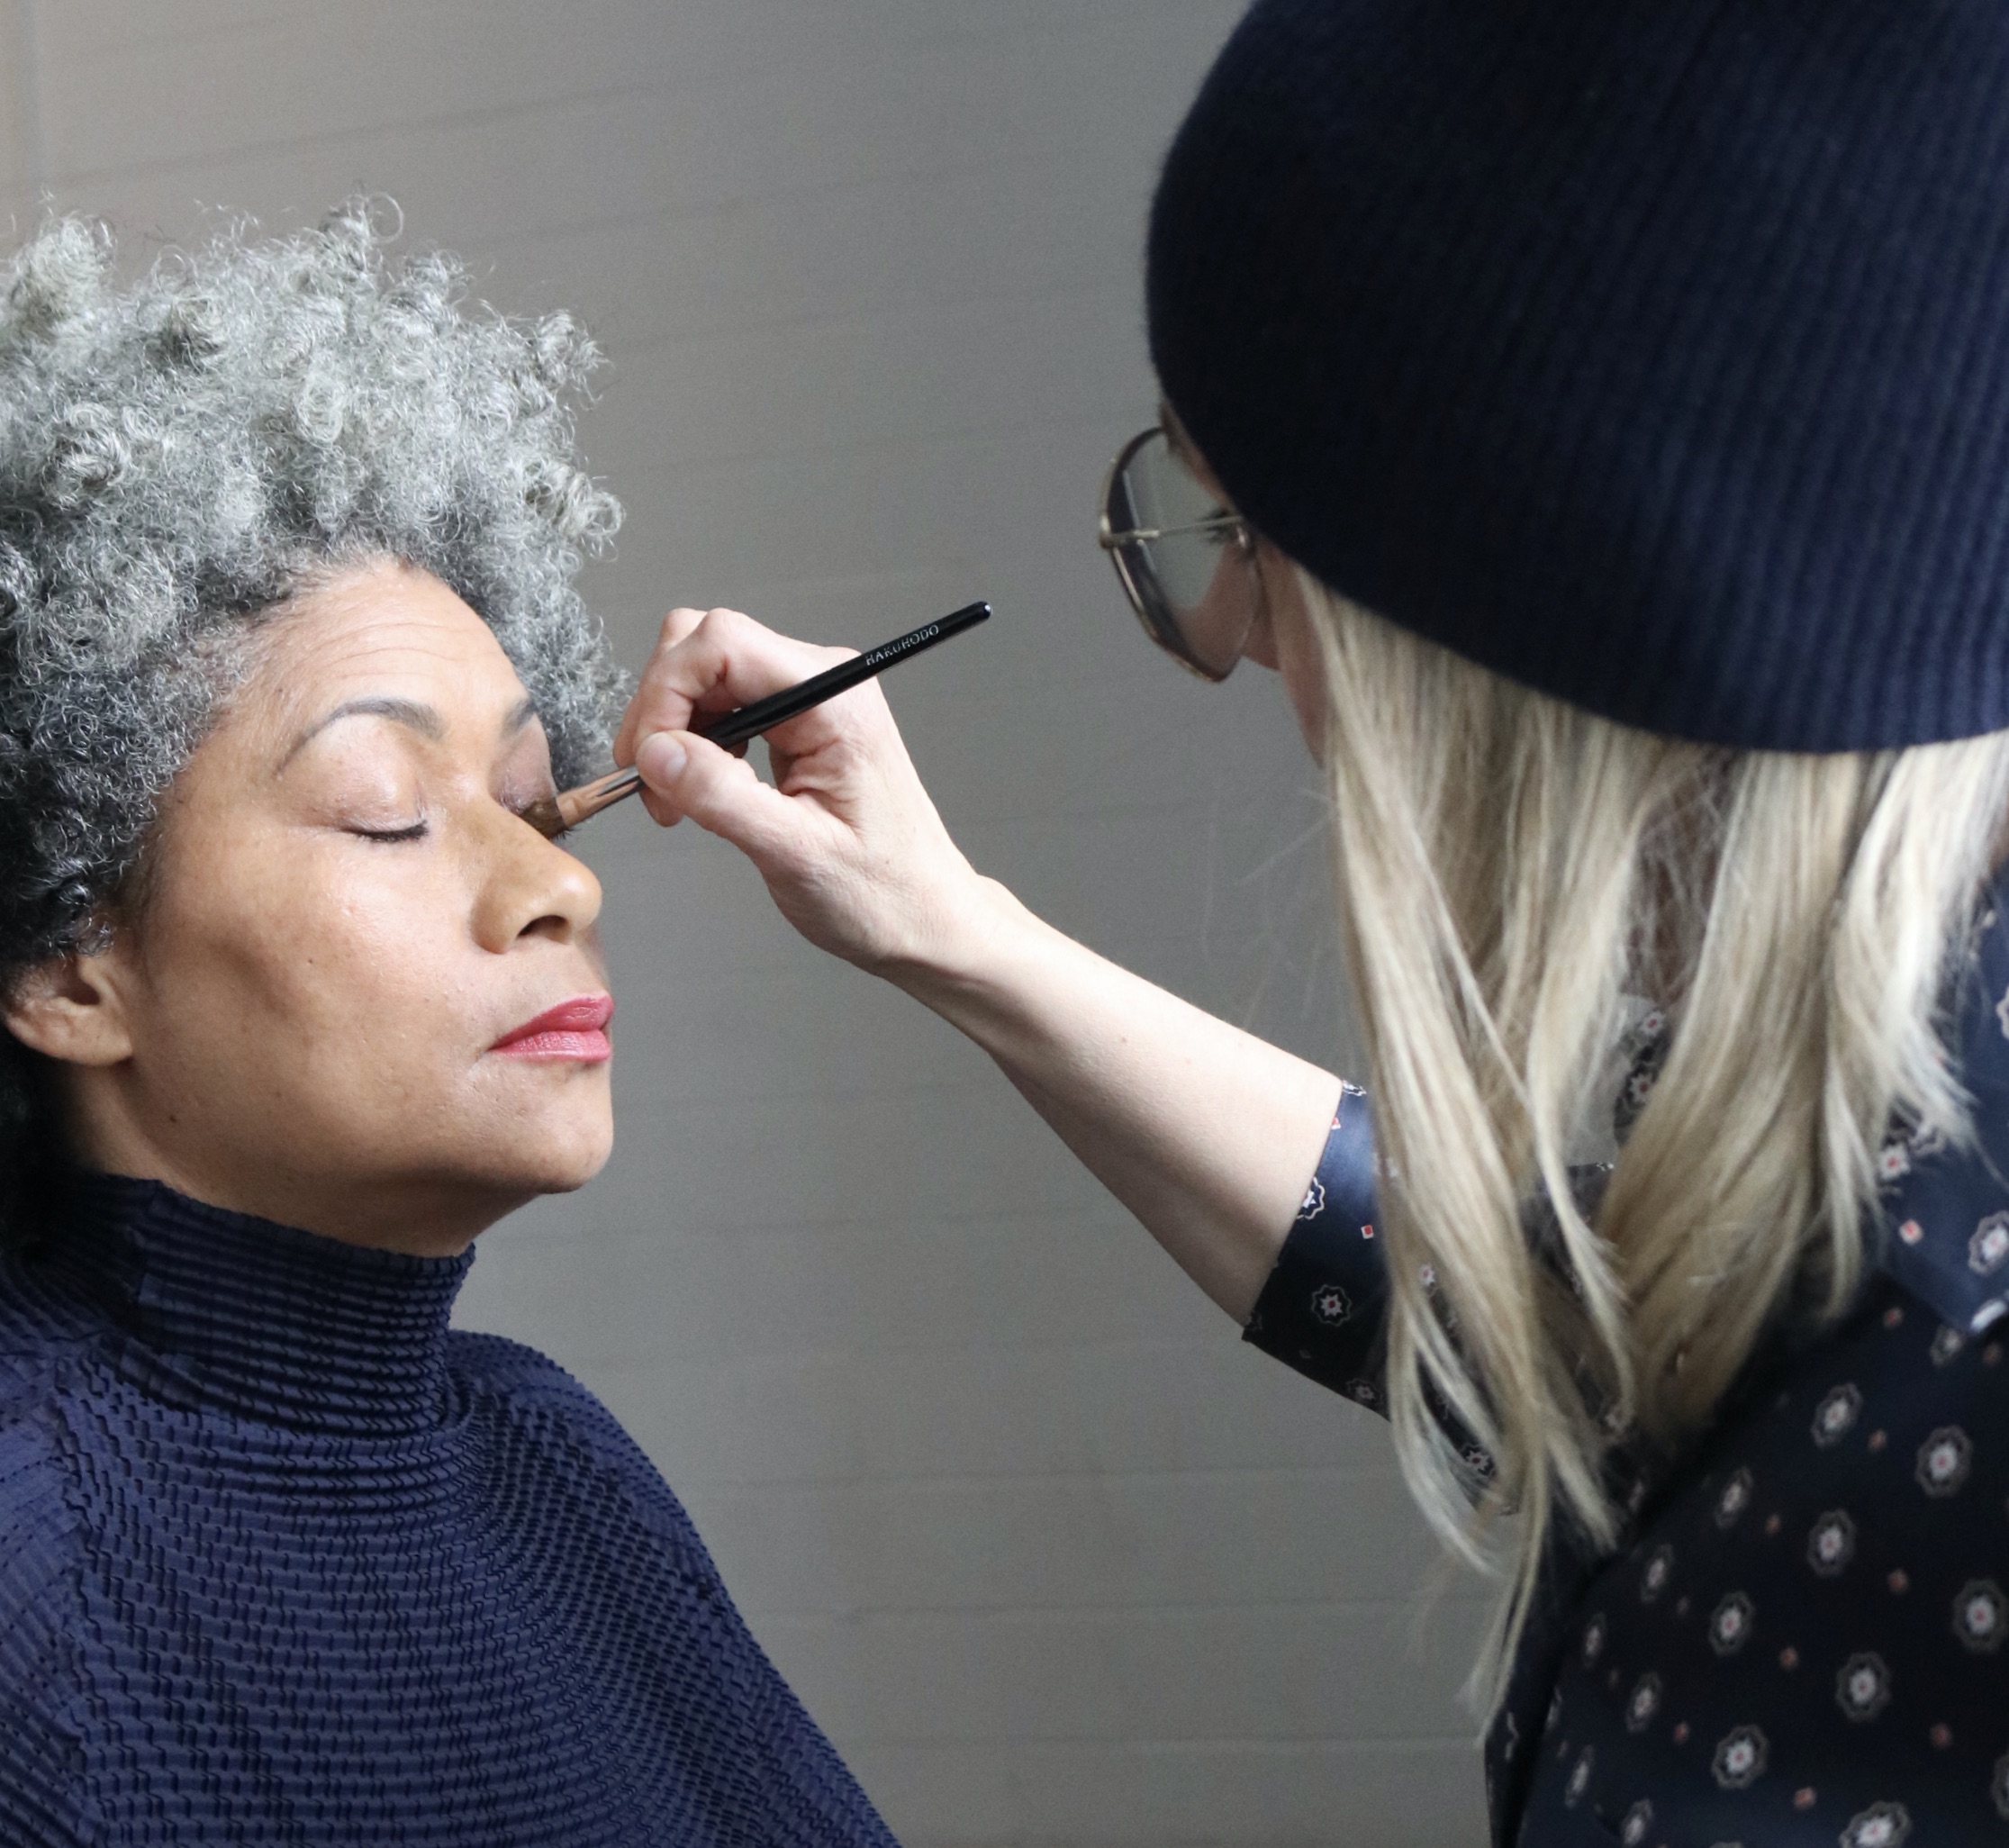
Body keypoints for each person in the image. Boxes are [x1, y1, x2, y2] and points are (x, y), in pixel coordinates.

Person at [610, 1, 2009, 1841]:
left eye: (1253, 548)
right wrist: (950, 927)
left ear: (1533, 608)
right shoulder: (1883, 1091)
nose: (1253, 652)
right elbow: (1554, 1323)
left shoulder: (1962, 1350)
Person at [0, 204, 896, 1847]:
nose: (559, 887)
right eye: (387, 811)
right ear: (68, 967)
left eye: (532, 801)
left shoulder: (556, 1469)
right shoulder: (32, 1572)